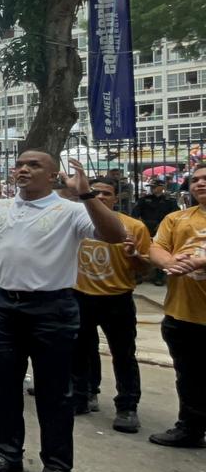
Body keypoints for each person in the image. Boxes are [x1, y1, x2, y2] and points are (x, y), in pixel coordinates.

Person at [0, 152, 126, 472]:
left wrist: (86, 194)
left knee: (54, 392)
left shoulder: (71, 211)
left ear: (54, 174)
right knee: (5, 386)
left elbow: (115, 235)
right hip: (3, 307)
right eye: (20, 164)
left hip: (52, 310)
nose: (23, 169)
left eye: (34, 165)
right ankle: (6, 453)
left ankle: (56, 463)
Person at [70, 177, 148, 433]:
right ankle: (82, 396)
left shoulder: (133, 227)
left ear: (116, 198)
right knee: (80, 351)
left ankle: (127, 407)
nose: (100, 197)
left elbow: (145, 269)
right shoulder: (75, 222)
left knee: (123, 354)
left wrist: (134, 256)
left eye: (106, 193)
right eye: (95, 192)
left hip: (118, 299)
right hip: (81, 296)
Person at [145, 163, 206, 448]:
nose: (200, 184)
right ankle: (190, 428)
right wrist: (169, 262)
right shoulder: (176, 219)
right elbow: (155, 247)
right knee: (188, 376)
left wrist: (199, 261)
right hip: (182, 312)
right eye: (195, 180)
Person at [133, 178, 179, 285]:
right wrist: (141, 225)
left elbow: (176, 215)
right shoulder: (144, 199)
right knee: (139, 250)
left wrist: (163, 225)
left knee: (162, 251)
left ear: (162, 187)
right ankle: (138, 274)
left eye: (155, 187)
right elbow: (135, 214)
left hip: (163, 229)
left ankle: (159, 276)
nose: (152, 189)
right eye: (151, 187)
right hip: (145, 227)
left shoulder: (170, 201)